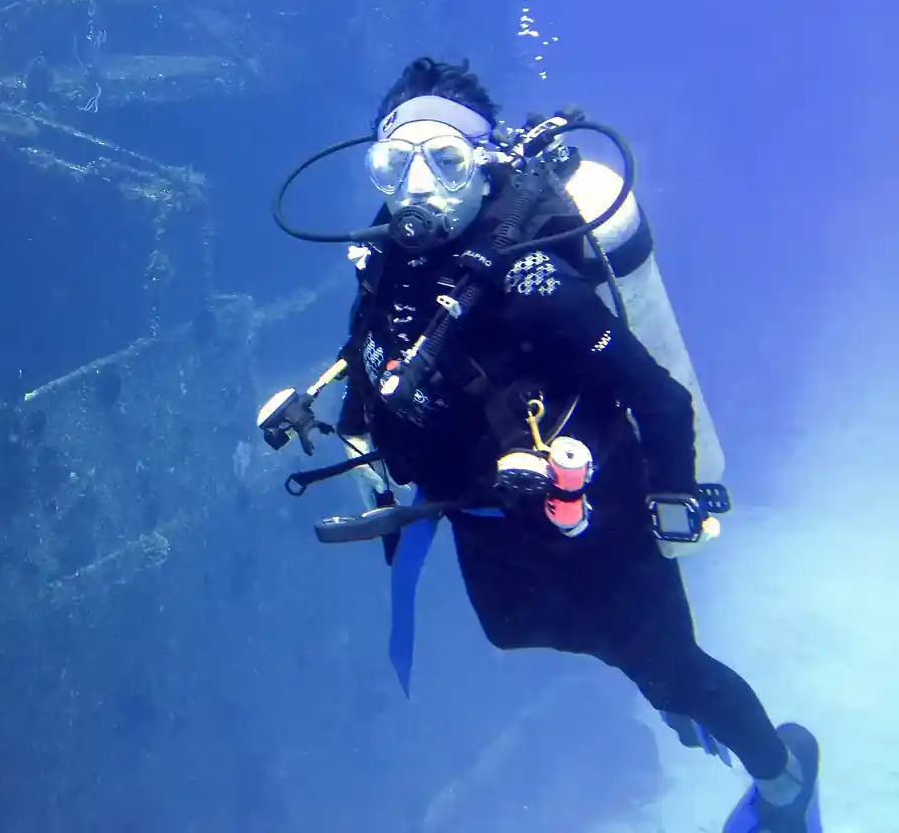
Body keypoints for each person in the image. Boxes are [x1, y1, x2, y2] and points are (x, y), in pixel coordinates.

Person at [269, 56, 820, 833]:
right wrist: (357, 443)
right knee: (549, 639)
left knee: (675, 673)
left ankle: (788, 781)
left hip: (600, 523)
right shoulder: (389, 267)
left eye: (446, 161)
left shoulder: (532, 282)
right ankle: (664, 696)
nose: (418, 188)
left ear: (482, 165)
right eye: (397, 164)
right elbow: (373, 369)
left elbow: (659, 397)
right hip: (495, 525)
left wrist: (671, 501)